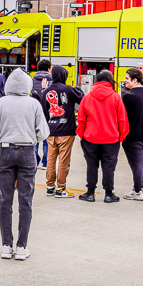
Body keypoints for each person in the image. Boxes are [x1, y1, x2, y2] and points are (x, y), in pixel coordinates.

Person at [0, 69, 49, 261]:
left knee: (5, 199)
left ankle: (6, 245)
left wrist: (3, 139)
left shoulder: (0, 103)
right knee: (25, 201)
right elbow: (43, 133)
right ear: (28, 85)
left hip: (5, 151)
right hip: (28, 152)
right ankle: (21, 247)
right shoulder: (34, 104)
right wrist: (30, 140)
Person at [77, 71, 129, 203]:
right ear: (110, 81)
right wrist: (121, 137)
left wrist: (82, 135)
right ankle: (108, 194)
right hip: (111, 140)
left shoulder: (87, 97)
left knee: (91, 166)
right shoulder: (116, 97)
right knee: (109, 167)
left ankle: (90, 193)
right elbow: (122, 120)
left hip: (90, 138)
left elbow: (81, 119)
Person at [41, 65, 83, 198]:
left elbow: (43, 113)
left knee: (50, 159)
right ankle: (61, 188)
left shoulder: (45, 92)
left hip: (50, 131)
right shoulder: (69, 89)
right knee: (64, 161)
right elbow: (82, 98)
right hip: (66, 131)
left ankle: (49, 186)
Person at [121, 68, 143, 201]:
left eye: (126, 78)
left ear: (134, 80)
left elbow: (124, 116)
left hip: (134, 136)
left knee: (136, 164)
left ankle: (137, 191)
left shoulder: (128, 95)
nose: (124, 81)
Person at [32, 60, 53, 169]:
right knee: (46, 138)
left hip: (34, 113)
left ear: (38, 68)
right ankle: (45, 162)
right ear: (49, 69)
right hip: (48, 113)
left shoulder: (32, 80)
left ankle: (35, 160)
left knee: (35, 138)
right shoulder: (53, 81)